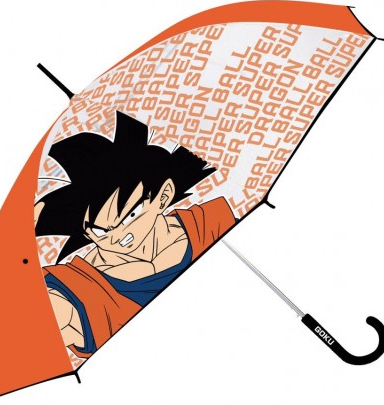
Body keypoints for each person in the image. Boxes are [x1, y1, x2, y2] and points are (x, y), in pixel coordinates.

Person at [35, 111, 236, 357]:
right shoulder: (78, 291)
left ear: (163, 196)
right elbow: (41, 323)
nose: (117, 236)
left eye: (130, 215)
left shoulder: (210, 223)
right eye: (99, 231)